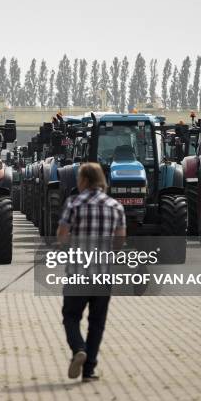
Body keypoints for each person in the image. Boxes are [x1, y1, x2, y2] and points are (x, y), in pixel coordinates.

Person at [56, 162, 126, 382]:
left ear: (84, 180)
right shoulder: (115, 206)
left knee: (71, 317)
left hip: (78, 272)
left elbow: (62, 235)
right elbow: (120, 240)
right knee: (97, 322)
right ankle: (89, 370)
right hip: (103, 274)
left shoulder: (74, 203)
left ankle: (78, 349)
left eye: (79, 178)